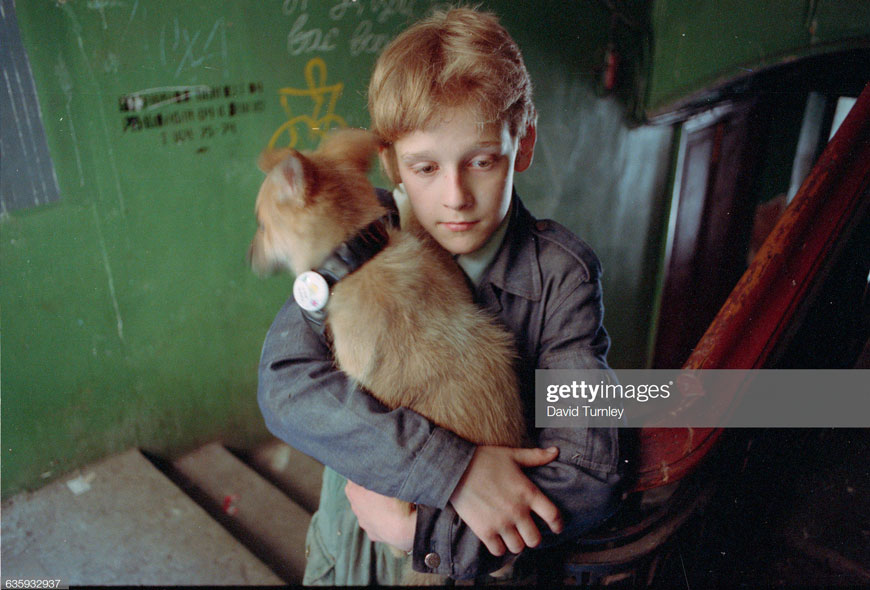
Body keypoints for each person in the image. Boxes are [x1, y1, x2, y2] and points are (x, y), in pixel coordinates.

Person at [257, 7, 622, 585]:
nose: (455, 196)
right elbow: (284, 384)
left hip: (469, 563)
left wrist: (422, 531)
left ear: (522, 145)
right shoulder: (359, 229)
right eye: (424, 167)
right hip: (353, 546)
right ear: (391, 164)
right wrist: (453, 470)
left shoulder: (561, 276)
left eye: (481, 161)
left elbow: (589, 472)